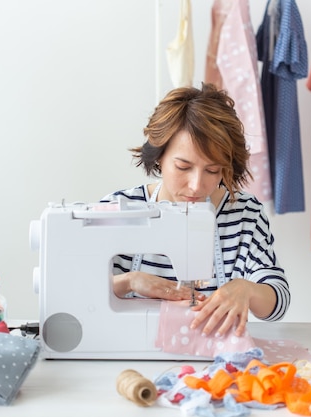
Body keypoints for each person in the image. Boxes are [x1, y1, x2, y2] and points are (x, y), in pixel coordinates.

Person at [101, 83, 290, 339]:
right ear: (159, 156)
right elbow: (77, 293)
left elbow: (277, 301)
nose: (197, 185)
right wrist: (129, 282)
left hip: (214, 361)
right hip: (129, 351)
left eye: (212, 171)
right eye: (183, 167)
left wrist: (247, 289)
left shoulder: (244, 214)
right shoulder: (119, 211)